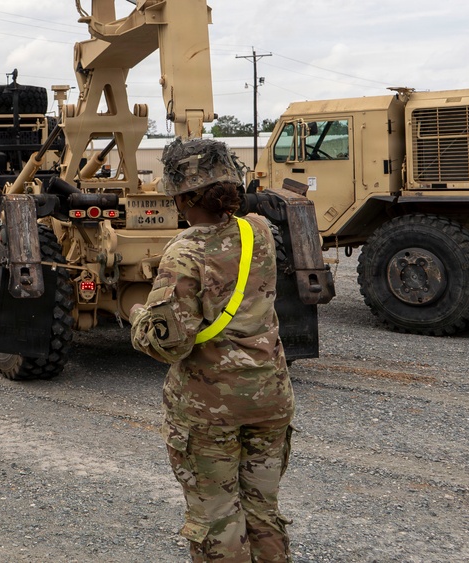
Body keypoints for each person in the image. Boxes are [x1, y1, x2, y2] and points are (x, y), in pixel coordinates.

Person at [129, 138, 294, 562]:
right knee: (262, 512)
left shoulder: (185, 252)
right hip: (270, 396)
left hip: (209, 409)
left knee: (218, 519)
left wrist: (138, 319)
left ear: (181, 197)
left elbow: (170, 344)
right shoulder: (258, 231)